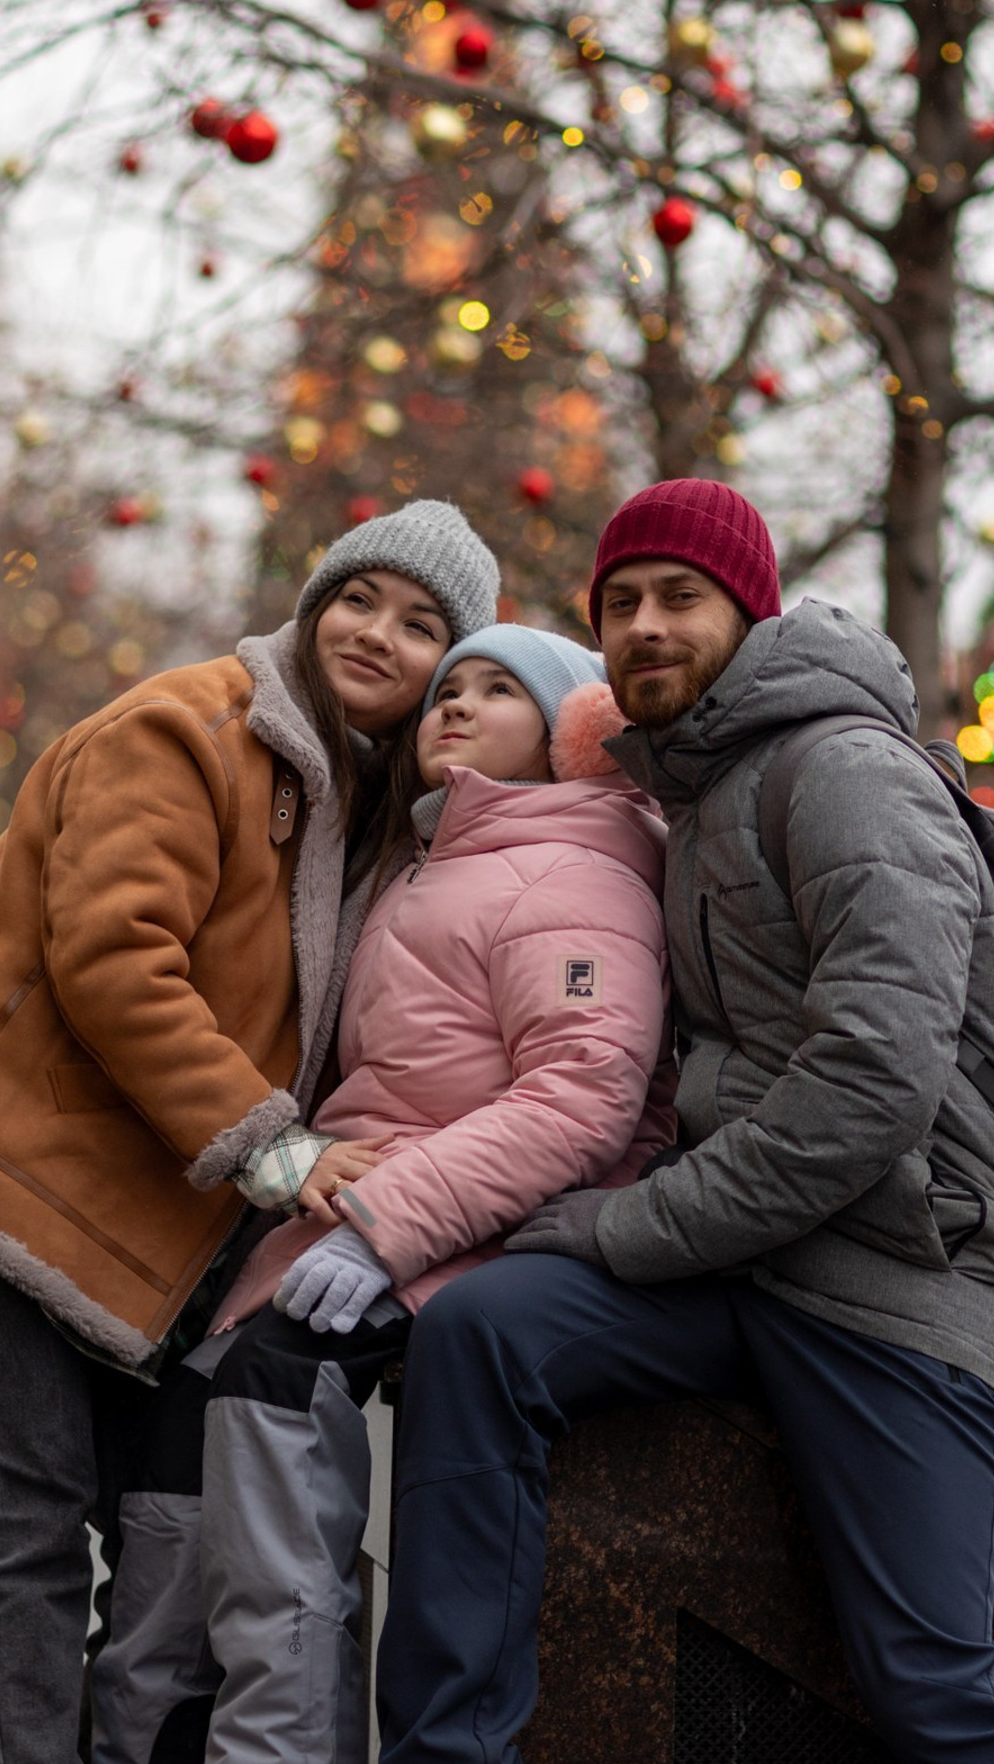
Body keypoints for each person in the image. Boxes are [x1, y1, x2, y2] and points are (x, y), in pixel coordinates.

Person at [0, 500, 498, 1764]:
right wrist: (277, 1151)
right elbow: (115, 959)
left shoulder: (354, 803)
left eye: (422, 623)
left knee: (158, 1541)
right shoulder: (192, 726)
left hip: (132, 1217)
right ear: (315, 600)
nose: (379, 633)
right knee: (23, 1540)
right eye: (360, 598)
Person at [376, 477, 994, 1764]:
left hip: (903, 1281)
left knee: (928, 1680)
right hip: (746, 1270)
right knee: (481, 1333)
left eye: (680, 598)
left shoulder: (846, 771)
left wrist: (626, 1226)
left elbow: (872, 1080)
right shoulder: (694, 791)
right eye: (622, 604)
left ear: (748, 613)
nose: (646, 626)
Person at [91, 626, 675, 1764]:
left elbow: (583, 1097)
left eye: (499, 690)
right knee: (172, 1474)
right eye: (446, 689)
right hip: (323, 1231)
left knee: (273, 1439)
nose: (454, 705)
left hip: (457, 1233)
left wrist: (382, 1233)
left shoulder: (583, 871)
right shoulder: (421, 864)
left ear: (572, 738)